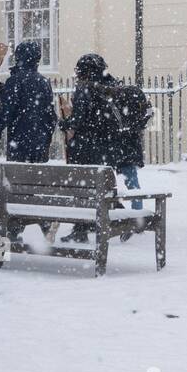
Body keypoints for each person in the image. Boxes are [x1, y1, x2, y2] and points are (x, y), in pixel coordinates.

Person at [58, 53, 123, 244]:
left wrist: (64, 123)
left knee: (83, 189)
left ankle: (81, 228)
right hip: (108, 146)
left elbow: (79, 120)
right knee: (105, 187)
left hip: (86, 148)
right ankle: (117, 218)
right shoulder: (111, 86)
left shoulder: (85, 89)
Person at [101, 66, 153, 211]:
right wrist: (136, 127)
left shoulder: (113, 100)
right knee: (131, 181)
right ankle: (137, 212)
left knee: (117, 182)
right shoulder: (131, 93)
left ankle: (134, 214)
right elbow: (148, 111)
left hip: (118, 146)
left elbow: (113, 123)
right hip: (129, 144)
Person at [0, 40, 57, 163]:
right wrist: (46, 138)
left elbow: (6, 112)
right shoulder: (44, 82)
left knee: (17, 179)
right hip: (39, 144)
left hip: (18, 143)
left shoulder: (14, 81)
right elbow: (51, 115)